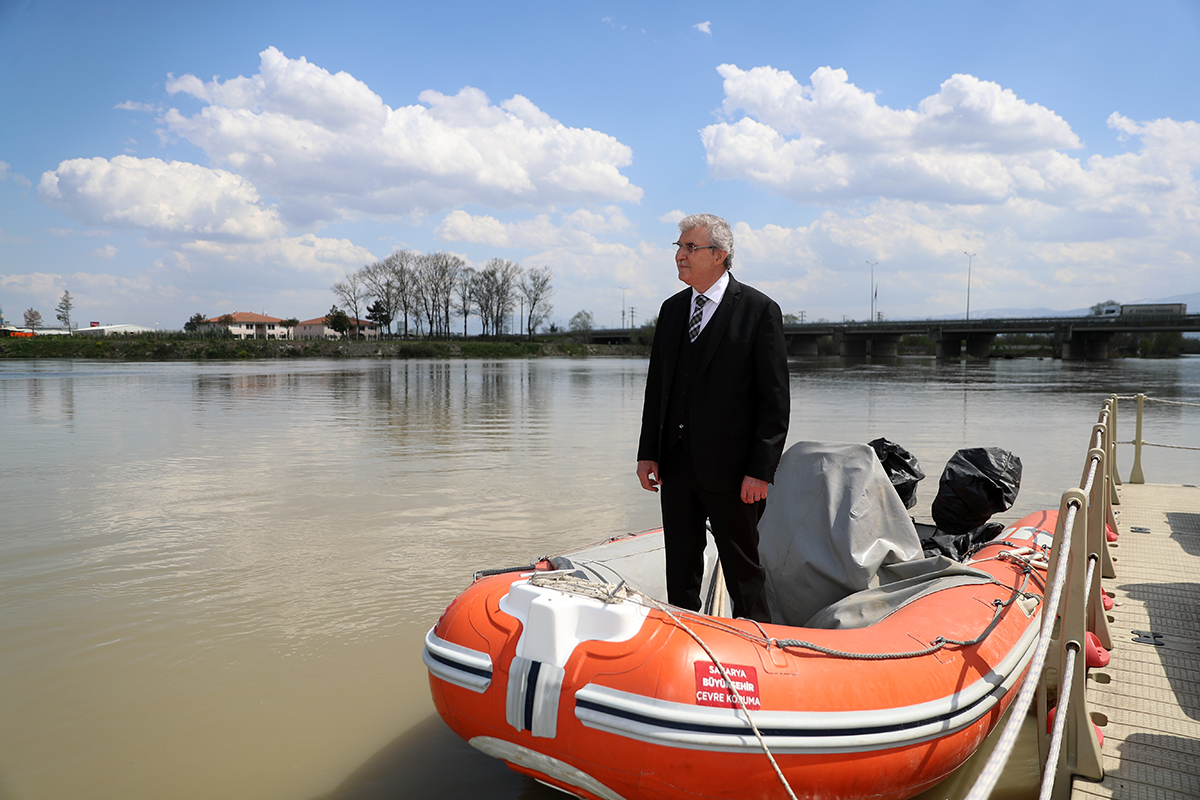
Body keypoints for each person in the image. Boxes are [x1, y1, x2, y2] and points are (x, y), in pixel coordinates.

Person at [636, 213, 790, 622]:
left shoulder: (759, 310)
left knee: (744, 573)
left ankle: (757, 645)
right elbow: (658, 390)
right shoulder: (671, 311)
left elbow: (774, 401)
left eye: (690, 248)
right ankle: (682, 644)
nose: (680, 256)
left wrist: (761, 470)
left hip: (736, 473)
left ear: (720, 255)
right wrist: (648, 452)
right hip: (676, 464)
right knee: (680, 570)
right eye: (679, 247)